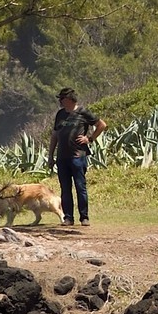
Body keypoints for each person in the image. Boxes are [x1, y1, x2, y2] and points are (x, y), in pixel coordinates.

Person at [47, 87, 106, 228]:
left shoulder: (83, 112)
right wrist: (50, 155)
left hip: (78, 156)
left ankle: (84, 217)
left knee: (80, 186)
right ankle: (68, 218)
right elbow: (55, 135)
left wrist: (89, 139)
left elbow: (101, 125)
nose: (60, 101)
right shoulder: (60, 114)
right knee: (65, 188)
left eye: (62, 99)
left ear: (68, 99)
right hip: (62, 157)